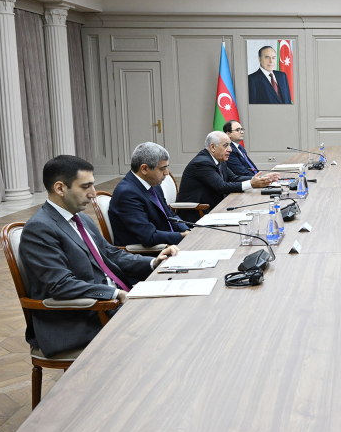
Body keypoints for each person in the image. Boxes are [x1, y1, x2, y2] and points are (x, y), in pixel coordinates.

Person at [19, 155, 179, 357]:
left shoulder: (81, 219)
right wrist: (114, 294)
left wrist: (153, 262)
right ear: (60, 188)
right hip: (81, 318)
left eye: (93, 185)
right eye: (86, 186)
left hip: (109, 305)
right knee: (166, 328)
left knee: (176, 308)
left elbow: (111, 254)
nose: (93, 194)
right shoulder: (39, 228)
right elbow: (61, 284)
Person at [177, 131, 280, 222]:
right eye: (225, 146)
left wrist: (262, 179)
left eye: (230, 145)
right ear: (213, 147)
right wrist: (251, 184)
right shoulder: (202, 163)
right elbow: (221, 187)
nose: (230, 150)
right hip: (198, 213)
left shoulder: (219, 159)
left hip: (216, 207)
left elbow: (234, 178)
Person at [109, 142, 190, 247]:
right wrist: (182, 236)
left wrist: (187, 231)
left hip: (169, 243)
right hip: (151, 252)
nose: (167, 172)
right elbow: (148, 236)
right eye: (162, 168)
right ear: (144, 169)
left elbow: (170, 215)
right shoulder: (127, 194)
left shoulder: (153, 184)